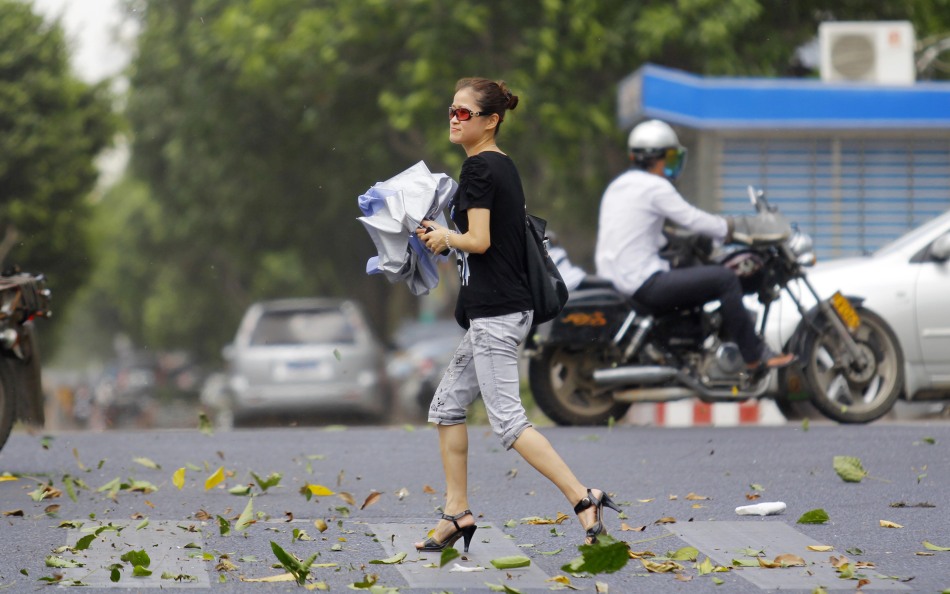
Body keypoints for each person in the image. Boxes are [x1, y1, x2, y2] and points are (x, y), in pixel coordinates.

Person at [414, 77, 619, 552]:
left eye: (464, 113)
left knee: (508, 422)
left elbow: (480, 240)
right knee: (446, 407)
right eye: (451, 109)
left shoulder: (481, 169)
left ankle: (582, 496)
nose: (453, 117)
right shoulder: (498, 166)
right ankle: (456, 513)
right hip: (501, 310)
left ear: (490, 120)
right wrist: (444, 236)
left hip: (498, 313)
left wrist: (446, 237)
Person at [594, 119, 795, 370]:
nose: (671, 164)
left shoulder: (619, 186)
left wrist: (675, 238)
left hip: (618, 279)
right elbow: (692, 218)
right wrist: (733, 229)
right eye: (669, 157)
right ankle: (754, 354)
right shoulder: (655, 187)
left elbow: (640, 233)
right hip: (642, 282)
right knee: (725, 279)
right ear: (658, 157)